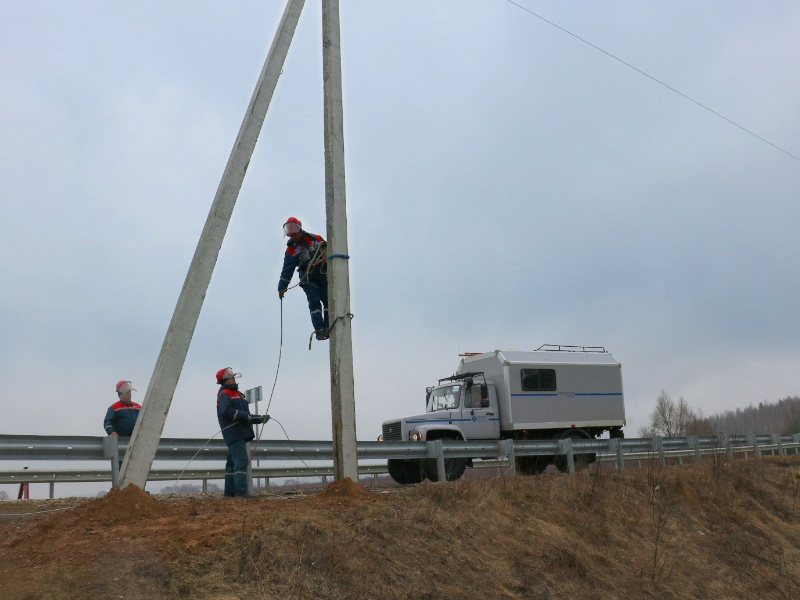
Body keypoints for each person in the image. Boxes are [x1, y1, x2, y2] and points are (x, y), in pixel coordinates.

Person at [216, 367, 269, 498]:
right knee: (241, 461)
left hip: (238, 432)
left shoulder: (238, 394)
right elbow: (225, 411)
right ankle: (241, 493)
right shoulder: (225, 394)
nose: (234, 378)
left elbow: (247, 415)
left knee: (232, 464)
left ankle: (229, 495)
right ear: (225, 380)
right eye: (231, 377)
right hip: (234, 432)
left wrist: (259, 419)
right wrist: (245, 416)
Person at [277, 216, 330, 340]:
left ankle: (329, 325)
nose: (293, 237)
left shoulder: (316, 239)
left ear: (300, 229)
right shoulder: (291, 250)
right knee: (314, 303)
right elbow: (287, 271)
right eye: (291, 236)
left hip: (323, 276)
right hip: (308, 280)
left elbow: (329, 252)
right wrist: (282, 287)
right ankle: (320, 330)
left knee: (328, 301)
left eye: (294, 234)